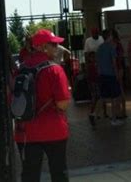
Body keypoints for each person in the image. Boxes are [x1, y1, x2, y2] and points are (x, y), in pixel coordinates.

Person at [15, 29, 71, 182]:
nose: (57, 48)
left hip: (26, 132)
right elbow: (63, 104)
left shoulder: (20, 70)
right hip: (54, 130)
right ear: (43, 47)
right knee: (59, 173)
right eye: (53, 44)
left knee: (29, 175)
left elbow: (12, 101)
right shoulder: (54, 70)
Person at [96, 29, 123, 127]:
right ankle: (114, 119)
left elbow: (98, 63)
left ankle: (94, 114)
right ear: (110, 36)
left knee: (103, 96)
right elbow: (114, 62)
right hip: (111, 75)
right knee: (114, 97)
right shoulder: (111, 47)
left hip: (102, 75)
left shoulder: (100, 48)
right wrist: (116, 74)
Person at [84, 28, 106, 125]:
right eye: (93, 33)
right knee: (97, 96)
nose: (95, 35)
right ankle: (94, 112)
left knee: (99, 95)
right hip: (95, 78)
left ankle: (100, 112)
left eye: (96, 33)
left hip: (98, 75)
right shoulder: (88, 41)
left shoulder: (101, 39)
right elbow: (86, 53)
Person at [112, 29, 127, 119]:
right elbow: (121, 56)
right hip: (120, 68)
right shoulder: (119, 45)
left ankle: (119, 111)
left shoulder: (113, 45)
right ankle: (123, 111)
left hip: (115, 69)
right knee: (121, 89)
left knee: (117, 90)